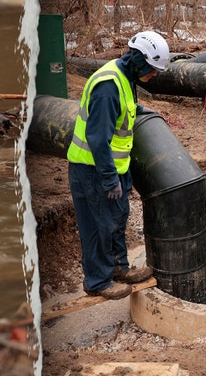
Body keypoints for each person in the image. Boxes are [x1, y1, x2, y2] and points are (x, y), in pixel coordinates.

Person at [66, 31, 169, 300]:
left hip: (113, 168)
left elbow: (123, 113)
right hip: (93, 169)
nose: (154, 75)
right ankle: (98, 281)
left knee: (116, 218)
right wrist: (110, 179)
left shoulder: (127, 77)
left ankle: (119, 269)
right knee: (98, 225)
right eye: (153, 69)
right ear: (138, 59)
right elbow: (98, 139)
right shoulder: (108, 86)